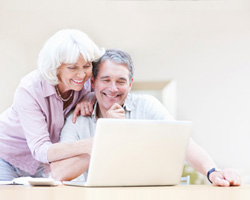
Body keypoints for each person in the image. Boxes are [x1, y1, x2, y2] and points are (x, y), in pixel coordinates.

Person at [50, 49, 241, 187]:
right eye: (106, 80)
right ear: (93, 82)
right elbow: (59, 172)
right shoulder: (78, 118)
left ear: (131, 84)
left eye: (121, 81)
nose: (113, 88)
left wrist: (212, 172)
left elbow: (183, 142)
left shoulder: (147, 106)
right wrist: (106, 134)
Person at [0, 29, 104, 181]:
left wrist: (91, 96)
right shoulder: (30, 89)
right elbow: (41, 149)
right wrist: (88, 145)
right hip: (6, 158)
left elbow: (108, 90)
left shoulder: (86, 85)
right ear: (56, 67)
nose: (82, 75)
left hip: (41, 166)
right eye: (72, 67)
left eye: (86, 66)